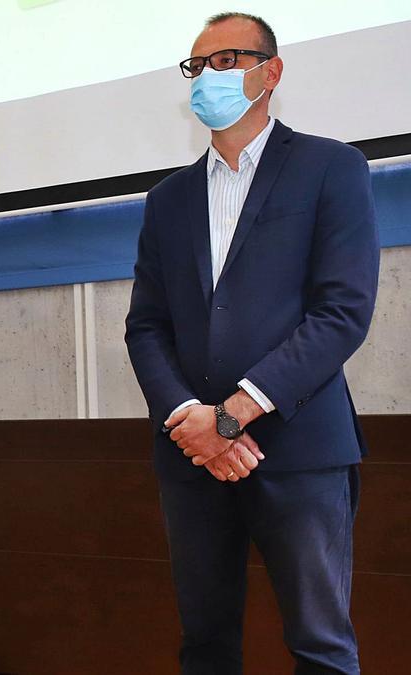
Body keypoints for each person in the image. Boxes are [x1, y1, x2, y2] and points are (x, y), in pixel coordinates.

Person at [125, 12, 379, 675]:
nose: (209, 76)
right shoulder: (167, 200)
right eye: (198, 66)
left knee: (321, 646)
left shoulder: (332, 167)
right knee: (205, 645)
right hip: (193, 458)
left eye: (228, 60)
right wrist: (193, 420)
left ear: (272, 71)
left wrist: (234, 413)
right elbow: (146, 325)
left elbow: (342, 310)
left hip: (300, 448)